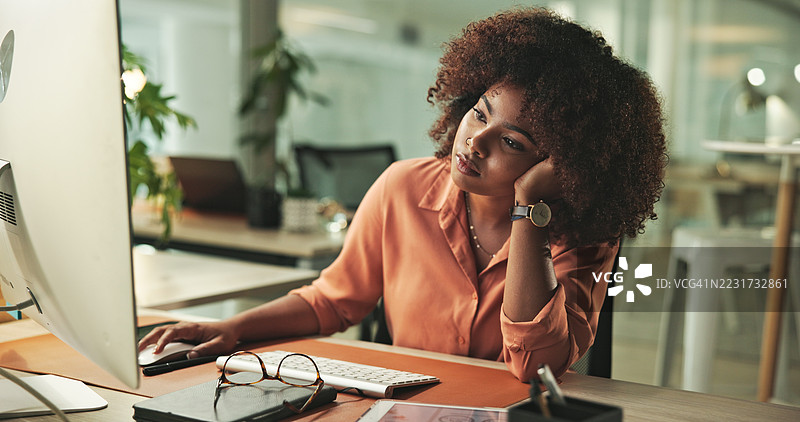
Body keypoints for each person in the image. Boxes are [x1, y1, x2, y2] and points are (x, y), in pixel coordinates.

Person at [139, 7, 667, 382]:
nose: (474, 141)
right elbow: (332, 300)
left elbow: (537, 366)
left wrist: (531, 210)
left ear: (561, 163)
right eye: (478, 113)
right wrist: (233, 329)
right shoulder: (402, 186)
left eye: (511, 141)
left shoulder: (583, 229)